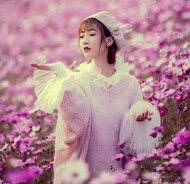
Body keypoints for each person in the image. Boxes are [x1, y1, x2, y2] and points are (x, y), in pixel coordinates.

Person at [30, 11, 161, 184]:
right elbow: (76, 123)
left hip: (118, 172)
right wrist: (63, 77)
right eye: (81, 36)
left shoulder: (129, 83)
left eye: (92, 34)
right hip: (87, 173)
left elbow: (134, 129)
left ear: (109, 40)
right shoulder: (78, 80)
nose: (84, 40)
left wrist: (139, 114)